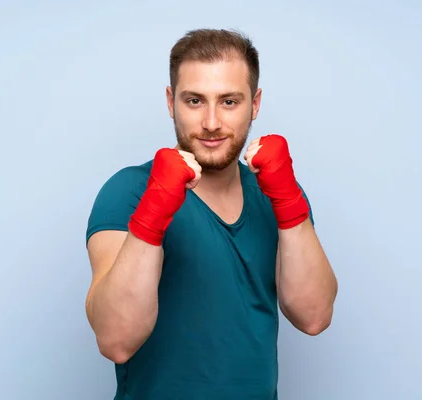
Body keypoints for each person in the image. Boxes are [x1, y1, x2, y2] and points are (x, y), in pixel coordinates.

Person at [85, 28, 338, 400]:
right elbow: (116, 339)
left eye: (229, 102)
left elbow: (314, 316)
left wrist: (288, 202)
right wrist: (154, 212)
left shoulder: (279, 193)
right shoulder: (130, 191)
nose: (212, 122)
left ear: (255, 103)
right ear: (171, 102)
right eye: (194, 101)